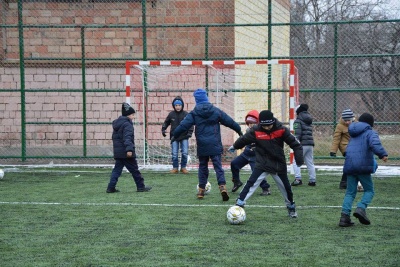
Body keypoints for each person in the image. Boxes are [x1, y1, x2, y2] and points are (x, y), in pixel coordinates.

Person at [229, 110, 304, 218]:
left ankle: (291, 208)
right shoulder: (256, 131)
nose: (267, 127)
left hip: (278, 164)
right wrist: (235, 146)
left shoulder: (281, 129)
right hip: (262, 163)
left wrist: (299, 160)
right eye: (265, 125)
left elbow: (296, 144)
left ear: (273, 121)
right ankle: (239, 204)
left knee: (286, 188)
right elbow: (244, 139)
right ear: (261, 124)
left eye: (269, 125)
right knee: (251, 183)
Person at [173, 88, 243, 201]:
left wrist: (174, 136)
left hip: (202, 145)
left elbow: (183, 125)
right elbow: (229, 121)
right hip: (215, 143)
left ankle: (201, 190)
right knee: (218, 167)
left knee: (203, 167)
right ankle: (222, 187)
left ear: (196, 100)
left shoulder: (194, 113)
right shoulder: (215, 111)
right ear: (206, 98)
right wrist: (238, 130)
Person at [338, 113, 388, 227]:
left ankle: (344, 217)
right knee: (369, 190)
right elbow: (375, 144)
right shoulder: (371, 132)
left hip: (350, 164)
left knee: (350, 192)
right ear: (371, 123)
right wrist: (383, 154)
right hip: (362, 166)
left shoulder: (353, 132)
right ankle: (361, 208)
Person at [106, 103, 152, 193]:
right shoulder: (127, 125)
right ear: (128, 115)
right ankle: (141, 186)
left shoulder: (117, 124)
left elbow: (116, 139)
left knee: (117, 170)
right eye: (132, 115)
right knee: (134, 170)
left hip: (119, 152)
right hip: (126, 152)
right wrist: (129, 149)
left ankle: (111, 187)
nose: (133, 117)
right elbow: (127, 138)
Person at [230, 110, 271, 195]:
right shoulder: (248, 131)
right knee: (234, 164)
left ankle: (265, 188)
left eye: (253, 123)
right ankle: (237, 182)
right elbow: (243, 140)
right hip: (246, 154)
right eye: (249, 123)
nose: (251, 125)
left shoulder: (262, 132)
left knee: (256, 172)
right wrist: (235, 146)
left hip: (255, 156)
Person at [161, 96, 194, 174]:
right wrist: (163, 129)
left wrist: (189, 133)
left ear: (182, 105)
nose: (178, 107)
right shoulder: (171, 114)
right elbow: (166, 122)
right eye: (176, 105)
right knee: (174, 153)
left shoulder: (186, 114)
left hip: (184, 136)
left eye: (179, 105)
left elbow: (191, 124)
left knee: (185, 152)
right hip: (174, 137)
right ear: (174, 106)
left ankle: (183, 167)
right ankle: (175, 167)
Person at [291, 104, 316, 186]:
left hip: (302, 144)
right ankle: (312, 180)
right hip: (310, 144)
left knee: (295, 161)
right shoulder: (308, 120)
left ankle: (298, 179)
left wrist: (295, 144)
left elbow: (297, 134)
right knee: (310, 162)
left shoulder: (298, 121)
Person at [330, 109, 354, 189]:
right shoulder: (339, 126)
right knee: (350, 163)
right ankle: (344, 182)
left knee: (352, 165)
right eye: (345, 120)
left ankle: (349, 182)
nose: (347, 122)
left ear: (352, 118)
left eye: (349, 120)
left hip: (355, 147)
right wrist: (333, 151)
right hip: (345, 147)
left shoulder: (356, 124)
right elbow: (336, 139)